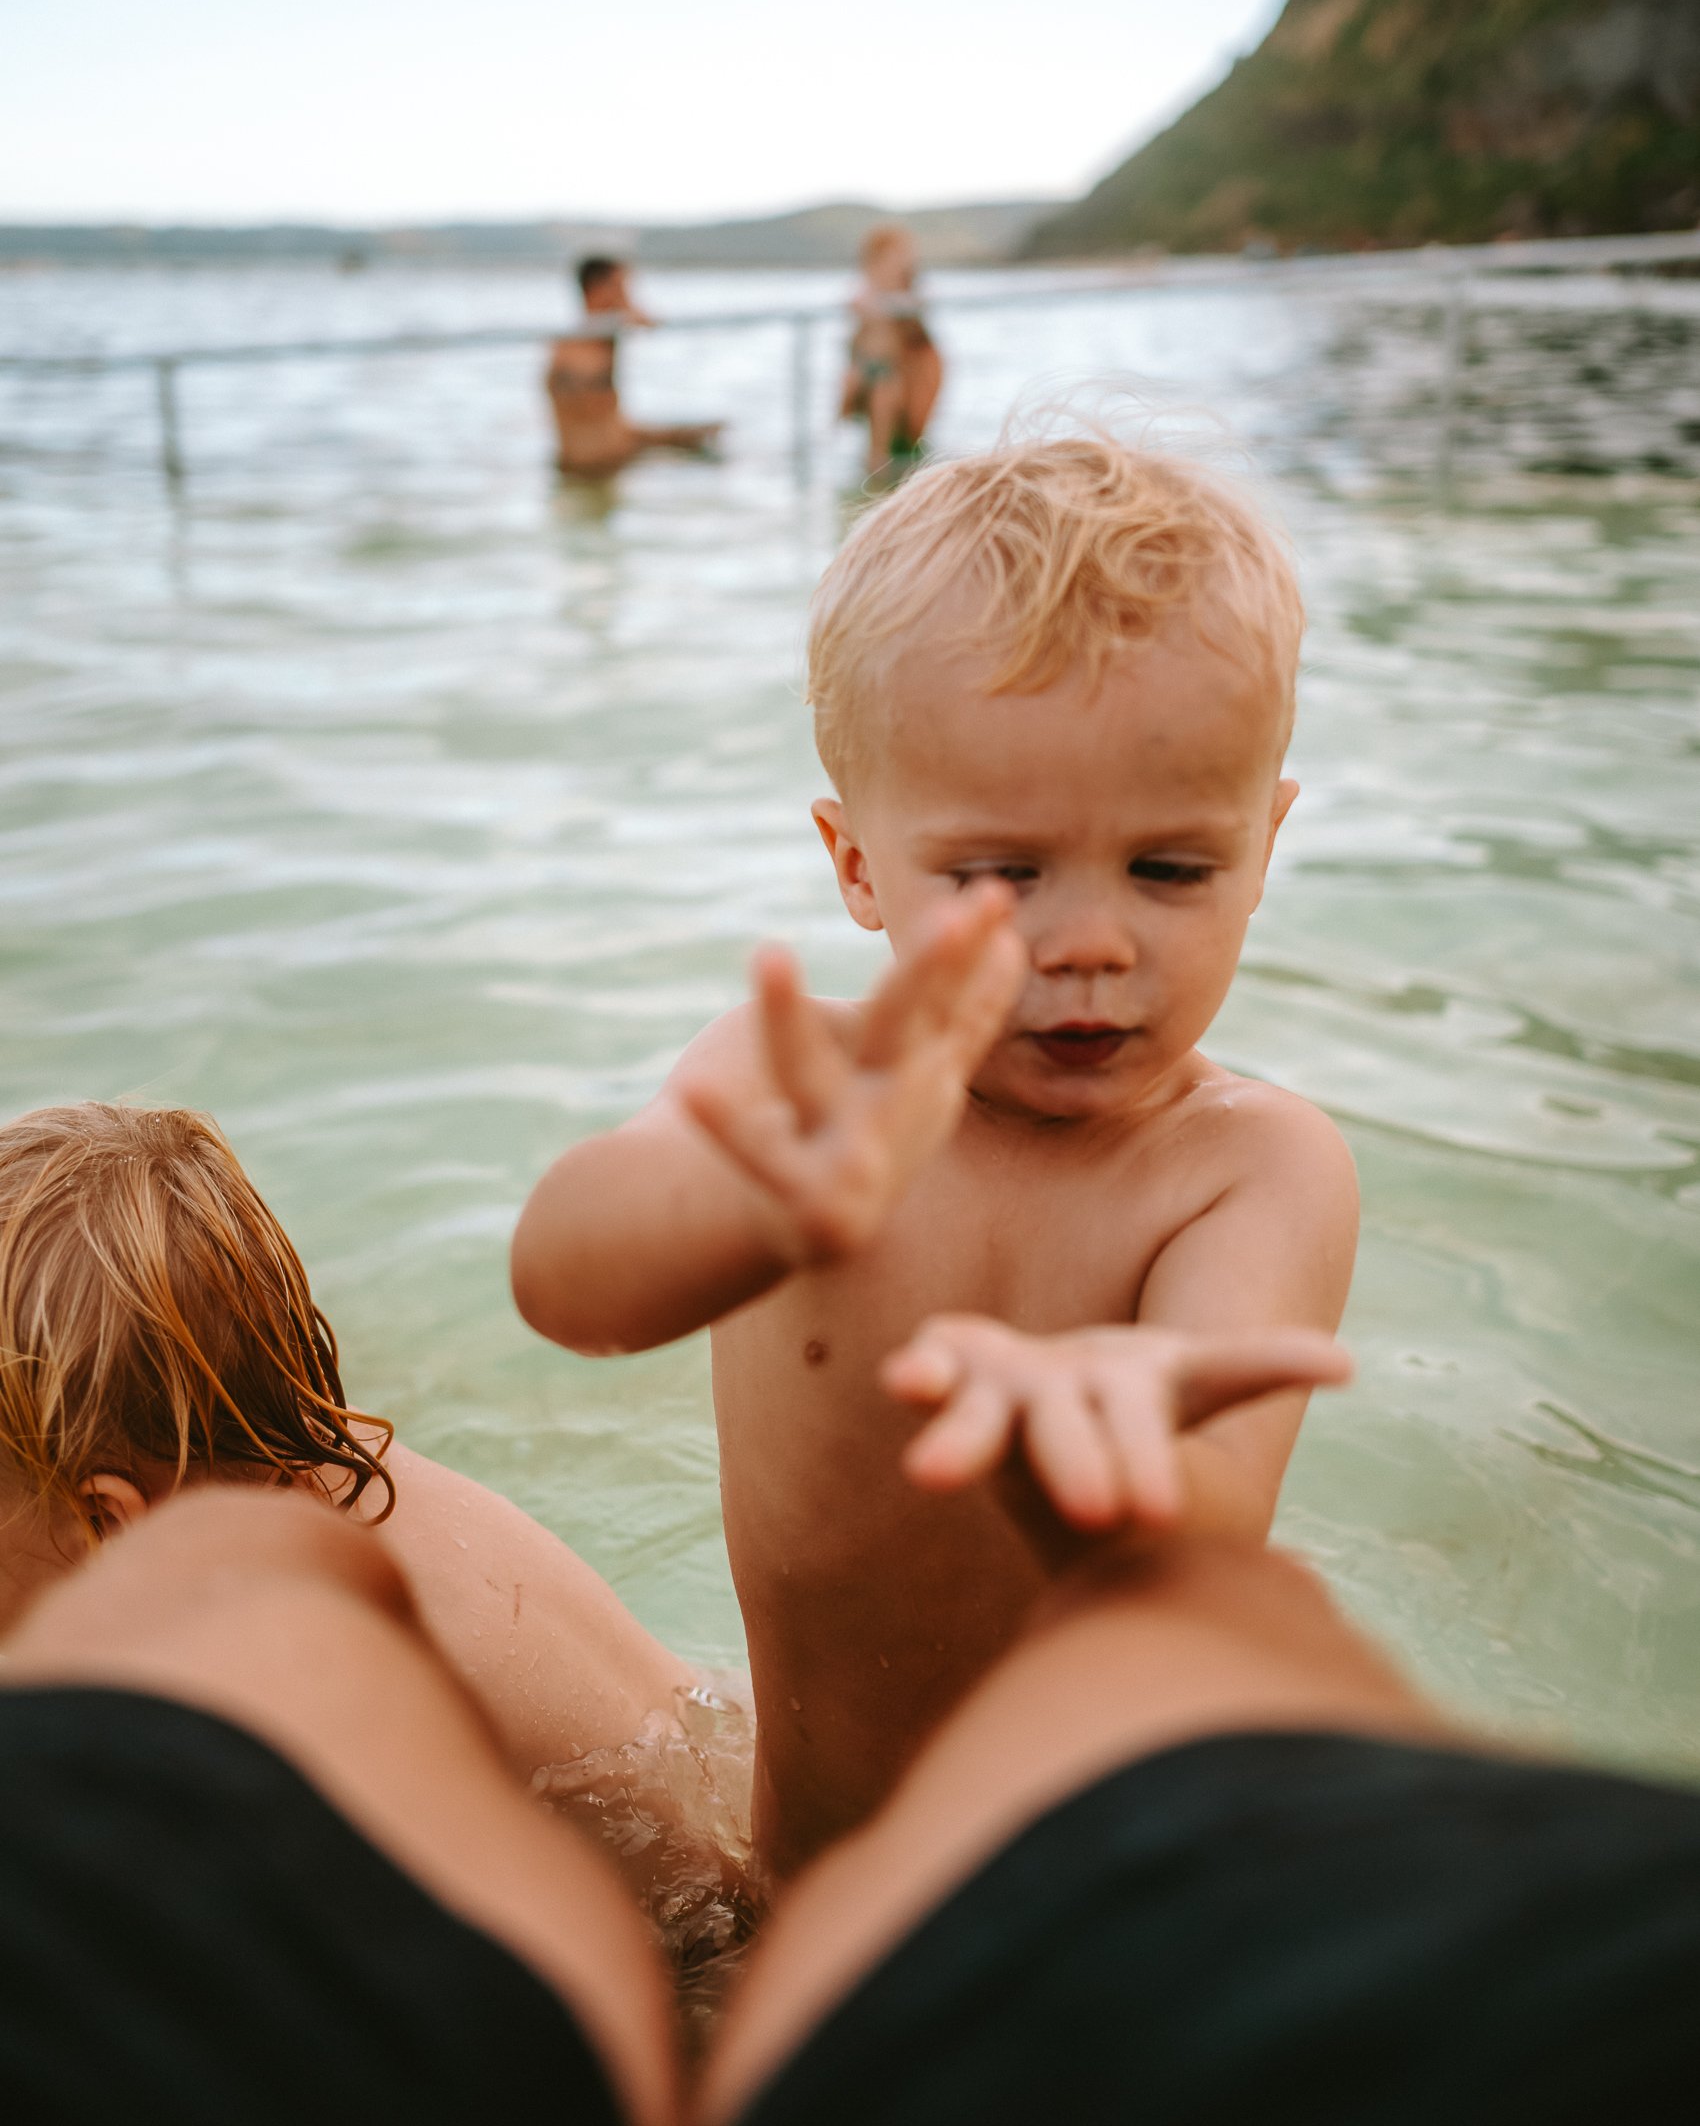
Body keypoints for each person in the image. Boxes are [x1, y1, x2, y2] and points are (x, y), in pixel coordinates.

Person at [5, 1317, 1699, 2124]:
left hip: (690, 1892)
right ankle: (1161, 1607)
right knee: (1196, 1643)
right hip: (1489, 2001)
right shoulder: (357, 1495)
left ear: (99, 1503)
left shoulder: (217, 1561)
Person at [511, 436, 1361, 1873]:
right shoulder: (795, 1097)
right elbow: (566, 1289)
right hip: (798, 1881)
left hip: (1070, 1928)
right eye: (998, 874)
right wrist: (743, 1203)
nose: (1089, 941)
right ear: (857, 867)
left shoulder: (1249, 1173)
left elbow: (1206, 1541)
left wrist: (1096, 1455)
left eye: (1171, 868)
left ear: (1265, 845)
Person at [0, 1101, 746, 1898]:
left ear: (105, 1519)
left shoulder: (296, 1676)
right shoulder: (323, 1461)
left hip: (701, 1946)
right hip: (722, 1758)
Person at [547, 257, 723, 478]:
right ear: (599, 290)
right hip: (591, 475)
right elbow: (590, 432)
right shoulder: (573, 352)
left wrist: (675, 436)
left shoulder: (603, 342)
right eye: (622, 287)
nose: (629, 298)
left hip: (613, 465)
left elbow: (611, 426)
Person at [838, 225, 942, 475]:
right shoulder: (867, 292)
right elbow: (855, 332)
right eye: (891, 256)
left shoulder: (908, 294)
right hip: (867, 364)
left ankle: (877, 468)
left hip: (895, 370)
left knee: (884, 405)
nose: (896, 263)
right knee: (855, 400)